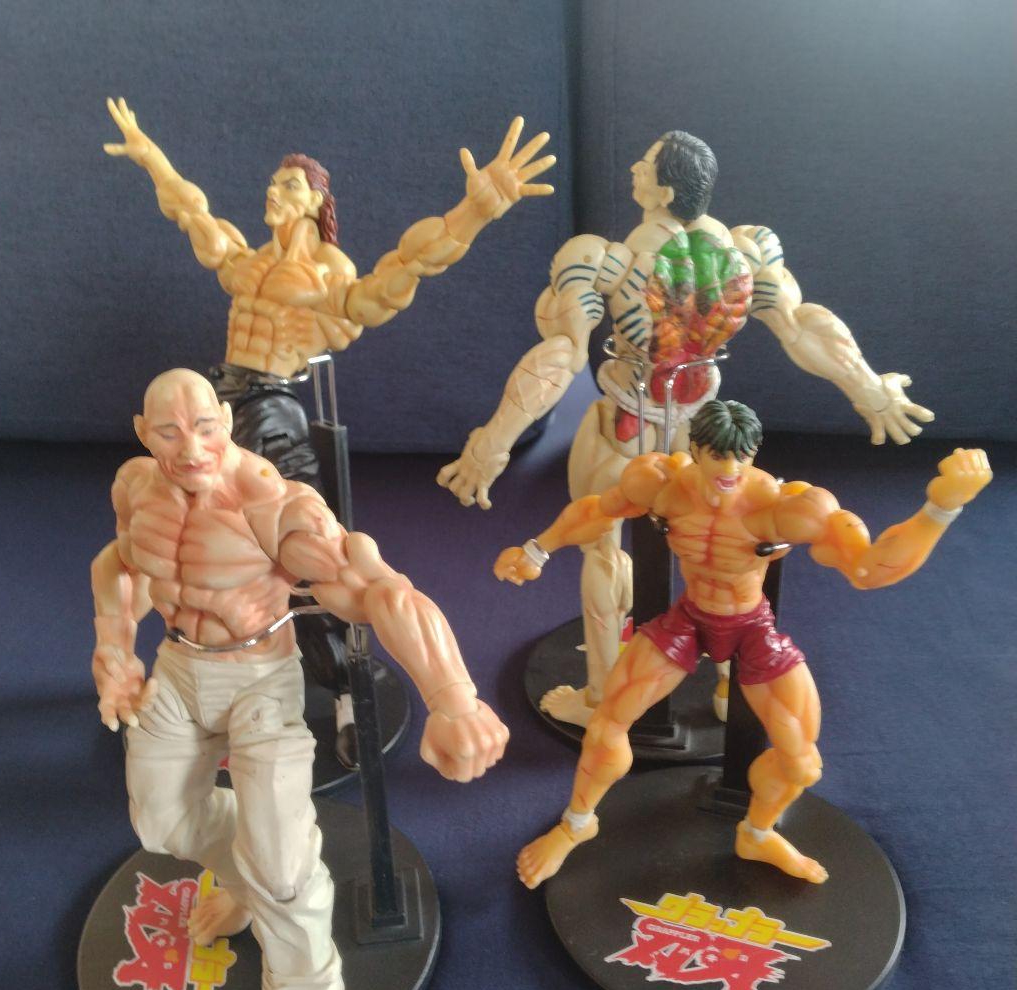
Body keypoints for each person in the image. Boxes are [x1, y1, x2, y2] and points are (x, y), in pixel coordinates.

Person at [104, 98, 554, 764]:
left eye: (288, 185)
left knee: (308, 565)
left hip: (272, 410)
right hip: (218, 405)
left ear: (316, 201)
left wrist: (476, 209)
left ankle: (344, 691)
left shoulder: (327, 274)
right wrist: (151, 158)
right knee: (171, 538)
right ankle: (192, 682)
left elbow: (403, 272)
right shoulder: (248, 261)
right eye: (272, 183)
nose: (272, 192)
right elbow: (191, 212)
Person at [91, 369, 508, 990]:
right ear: (143, 434)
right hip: (178, 668)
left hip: (260, 679)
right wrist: (114, 649)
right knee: (162, 825)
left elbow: (377, 589)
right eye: (169, 432)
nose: (190, 447)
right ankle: (246, 882)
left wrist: (454, 699)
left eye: (205, 427)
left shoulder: (272, 504)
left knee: (283, 865)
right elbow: (118, 564)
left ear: (227, 421)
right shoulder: (137, 486)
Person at [441, 131, 935, 729]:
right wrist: (868, 388)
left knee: (602, 546)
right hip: (703, 438)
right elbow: (801, 326)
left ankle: (600, 697)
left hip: (627, 430)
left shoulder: (603, 259)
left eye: (646, 164)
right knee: (724, 550)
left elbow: (561, 357)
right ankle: (728, 684)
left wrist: (492, 445)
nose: (634, 167)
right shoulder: (746, 250)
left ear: (664, 190)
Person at [494, 400, 989, 888]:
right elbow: (597, 511)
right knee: (607, 724)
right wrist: (537, 549)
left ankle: (757, 834)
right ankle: (576, 825)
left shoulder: (787, 507)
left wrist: (941, 508)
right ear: (696, 449)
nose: (730, 470)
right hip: (688, 619)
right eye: (718, 456)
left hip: (750, 626)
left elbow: (868, 567)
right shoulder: (661, 483)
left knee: (801, 763)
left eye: (742, 456)